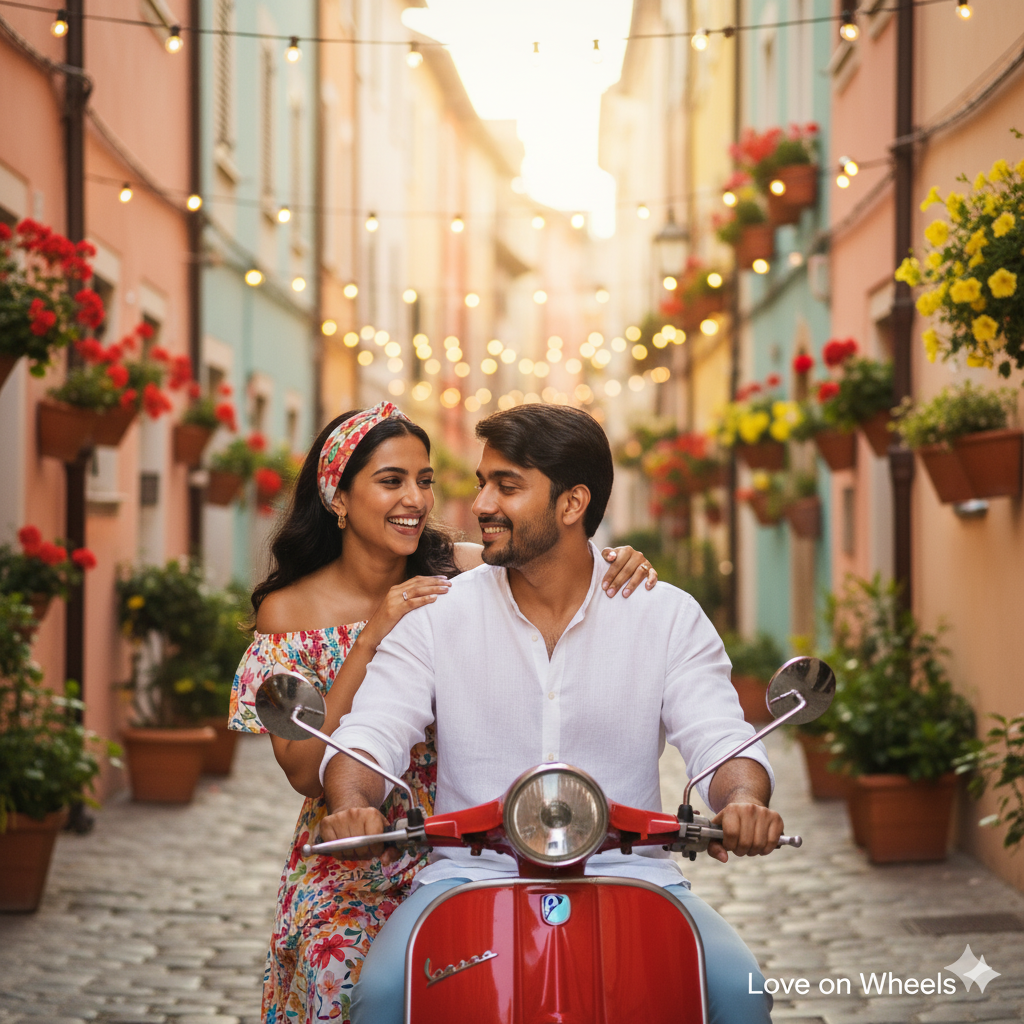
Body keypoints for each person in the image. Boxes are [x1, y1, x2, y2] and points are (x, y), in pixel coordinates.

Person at [317, 403, 782, 1024]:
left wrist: (743, 800)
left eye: (506, 486)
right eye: (482, 483)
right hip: (468, 878)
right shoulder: (436, 615)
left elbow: (720, 737)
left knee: (741, 995)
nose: (481, 503)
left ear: (572, 504)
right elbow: (370, 733)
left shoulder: (665, 615)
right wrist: (353, 801)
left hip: (633, 875)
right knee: (377, 998)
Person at [227, 401, 658, 1024]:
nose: (416, 498)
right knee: (339, 972)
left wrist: (622, 558)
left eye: (425, 480)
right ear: (338, 498)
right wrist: (375, 632)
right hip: (360, 840)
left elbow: (551, 556)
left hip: (469, 841)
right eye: (391, 480)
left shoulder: (454, 567)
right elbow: (303, 771)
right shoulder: (289, 614)